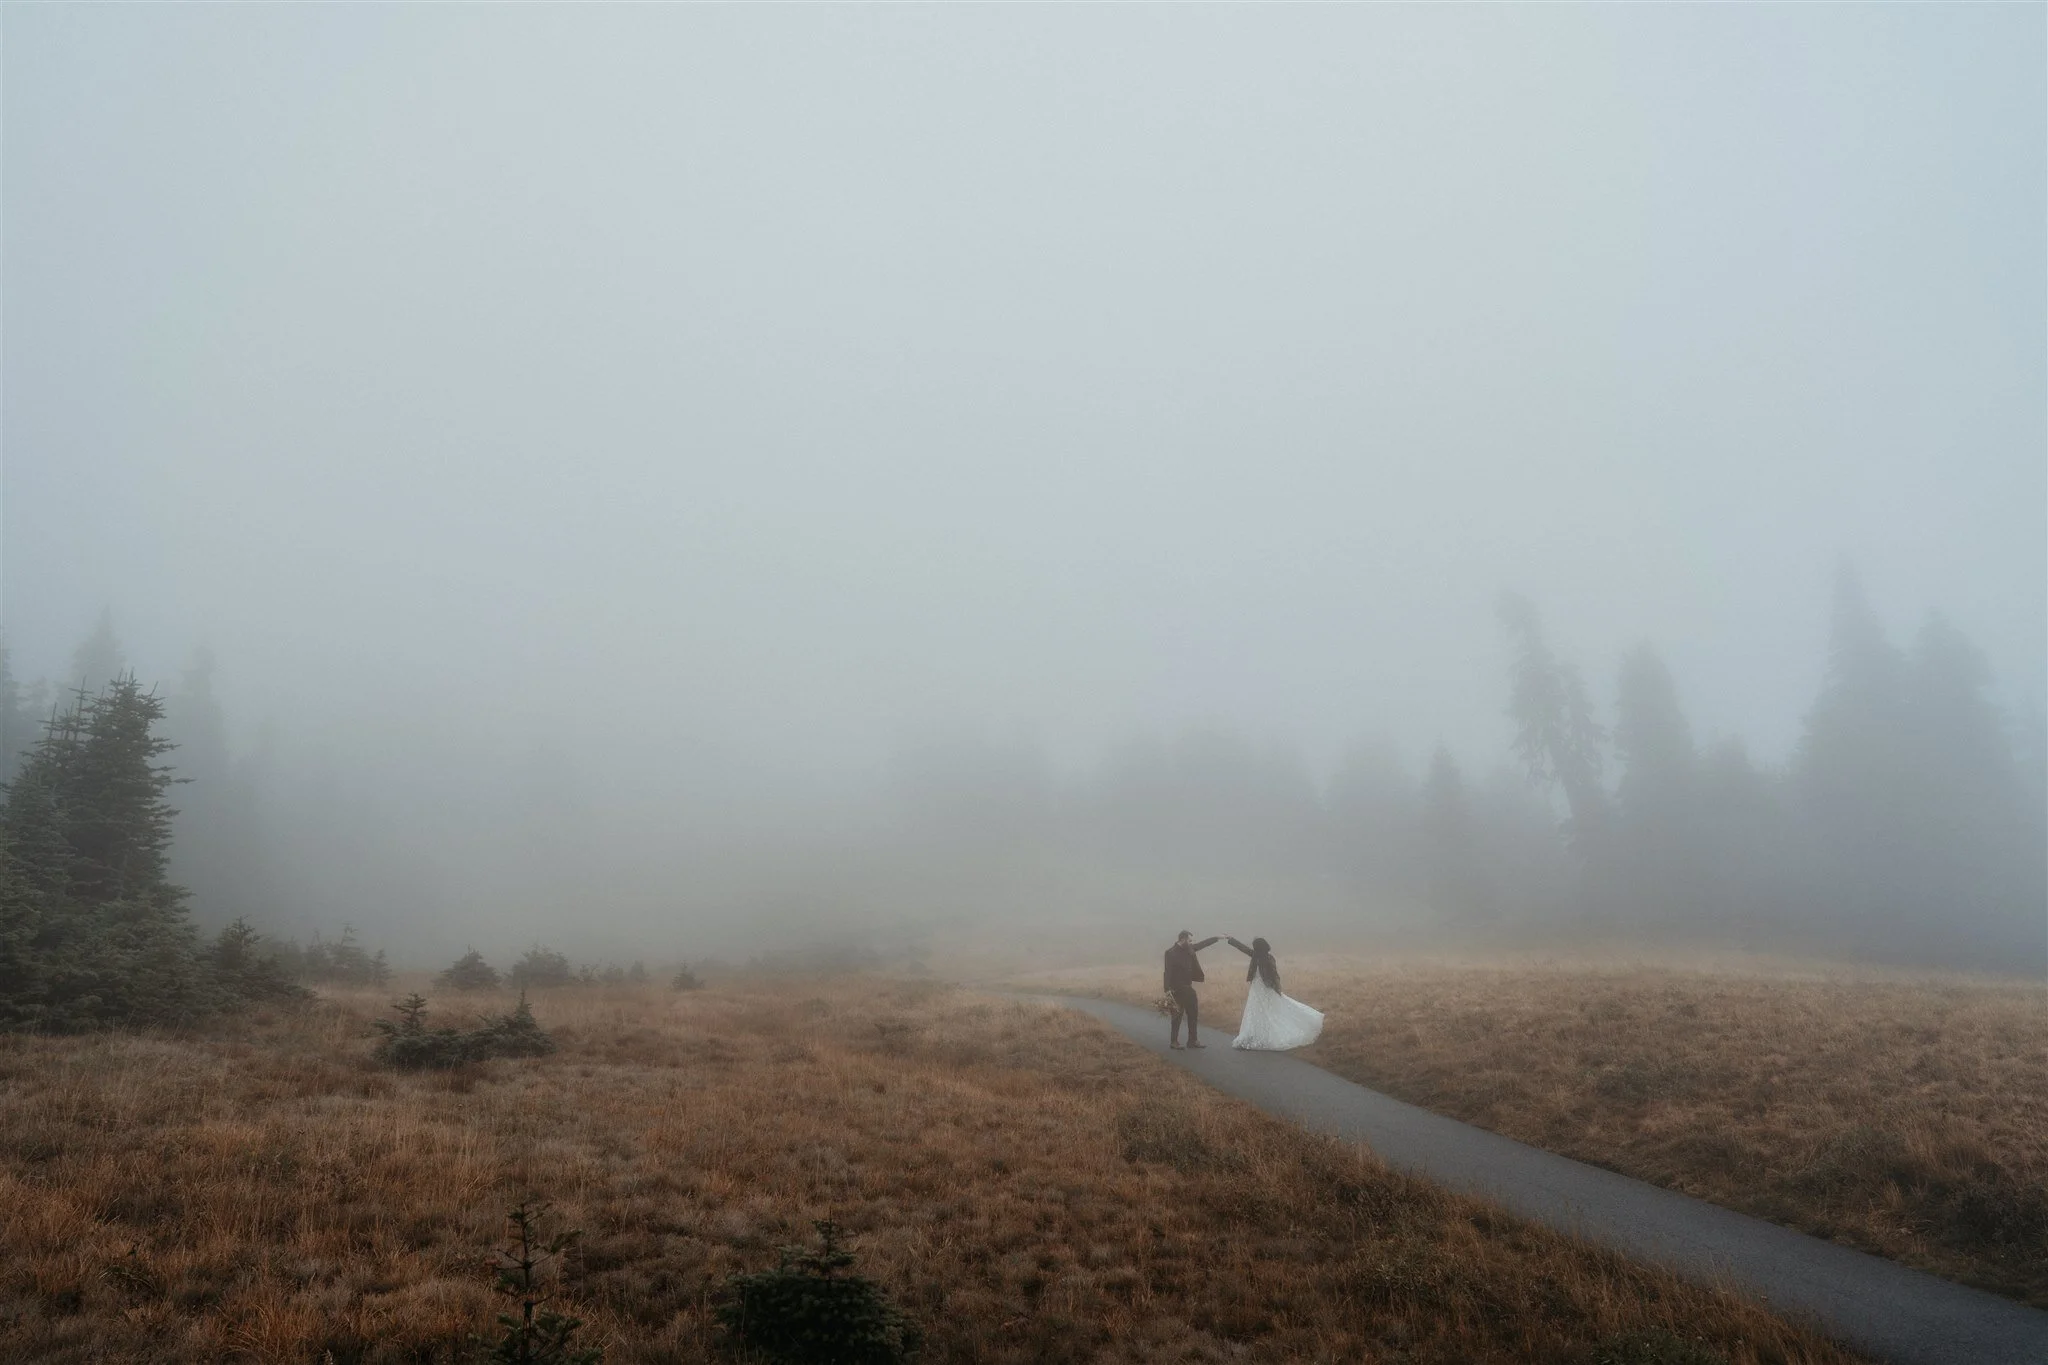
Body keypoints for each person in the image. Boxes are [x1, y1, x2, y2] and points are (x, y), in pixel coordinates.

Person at [1224, 936, 1324, 1051]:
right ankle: (1258, 1034)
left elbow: (1274, 974)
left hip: (1266, 988)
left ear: (1259, 947)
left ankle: (1267, 1034)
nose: (1253, 948)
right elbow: (1243, 948)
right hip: (1256, 988)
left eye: (1255, 946)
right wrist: (1230, 940)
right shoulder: (1255, 955)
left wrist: (1277, 988)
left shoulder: (1268, 958)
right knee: (1257, 1010)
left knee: (1268, 1010)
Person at [1162, 930, 1220, 1049]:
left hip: (1188, 987)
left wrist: (1217, 937)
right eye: (1189, 940)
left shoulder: (1189, 949)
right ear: (1182, 939)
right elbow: (1167, 971)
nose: (1191, 942)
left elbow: (1203, 944)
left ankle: (1192, 1041)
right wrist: (1167, 989)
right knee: (1177, 1015)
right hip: (1176, 988)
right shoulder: (1170, 953)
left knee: (1193, 1014)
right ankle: (1174, 1042)